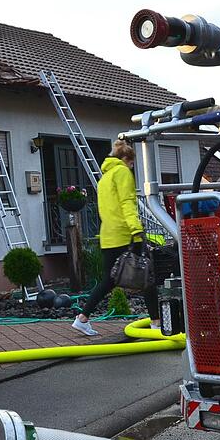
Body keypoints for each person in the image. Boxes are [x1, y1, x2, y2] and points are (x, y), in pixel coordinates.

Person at [72, 140, 160, 336]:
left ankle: (82, 318)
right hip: (125, 234)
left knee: (108, 281)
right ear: (126, 159)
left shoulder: (105, 177)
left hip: (108, 235)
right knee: (147, 277)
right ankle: (156, 323)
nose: (132, 167)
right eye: (131, 163)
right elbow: (127, 203)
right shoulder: (122, 173)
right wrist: (137, 230)